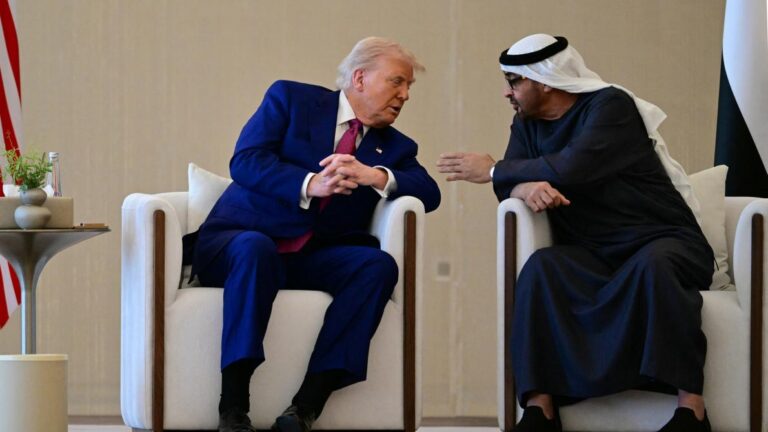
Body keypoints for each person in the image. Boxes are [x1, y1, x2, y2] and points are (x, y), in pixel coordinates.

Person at [436, 34, 713, 432]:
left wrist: (495, 169)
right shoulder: (526, 124)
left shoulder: (610, 106)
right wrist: (523, 187)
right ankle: (540, 408)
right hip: (594, 252)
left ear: (544, 80)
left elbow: (572, 166)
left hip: (662, 239)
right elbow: (510, 183)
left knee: (655, 266)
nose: (506, 93)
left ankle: (691, 408)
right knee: (542, 269)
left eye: (514, 82)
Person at [189, 37, 441, 432]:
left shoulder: (395, 147)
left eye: (409, 86)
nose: (405, 95)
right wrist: (310, 183)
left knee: (376, 266)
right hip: (239, 241)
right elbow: (246, 160)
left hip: (310, 256)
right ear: (360, 78)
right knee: (256, 248)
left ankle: (306, 406)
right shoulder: (291, 100)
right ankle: (233, 404)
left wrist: (374, 175)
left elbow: (430, 192)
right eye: (397, 81)